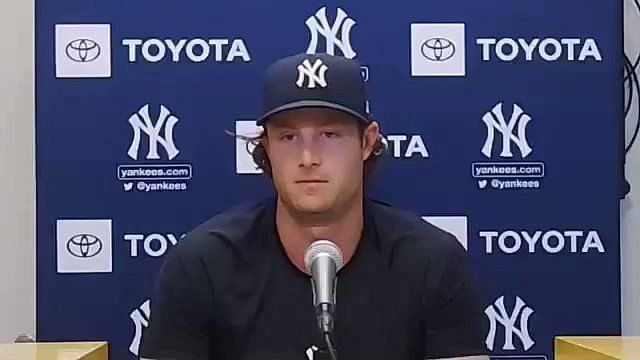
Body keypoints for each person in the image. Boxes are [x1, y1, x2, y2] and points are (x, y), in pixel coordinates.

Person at [139, 52, 488, 360]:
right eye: (289, 137)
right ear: (266, 147)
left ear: (367, 142)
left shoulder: (433, 262)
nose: (308, 158)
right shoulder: (202, 264)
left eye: (330, 135)